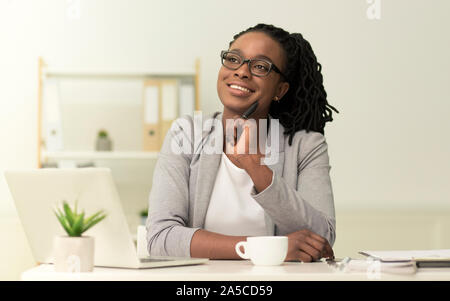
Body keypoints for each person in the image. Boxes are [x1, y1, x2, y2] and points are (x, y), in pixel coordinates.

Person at [146, 24, 339, 262]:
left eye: (260, 66)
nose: (241, 72)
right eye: (234, 59)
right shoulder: (185, 134)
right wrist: (262, 250)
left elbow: (322, 239)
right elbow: (160, 238)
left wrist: (256, 169)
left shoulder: (306, 146)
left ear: (280, 89)